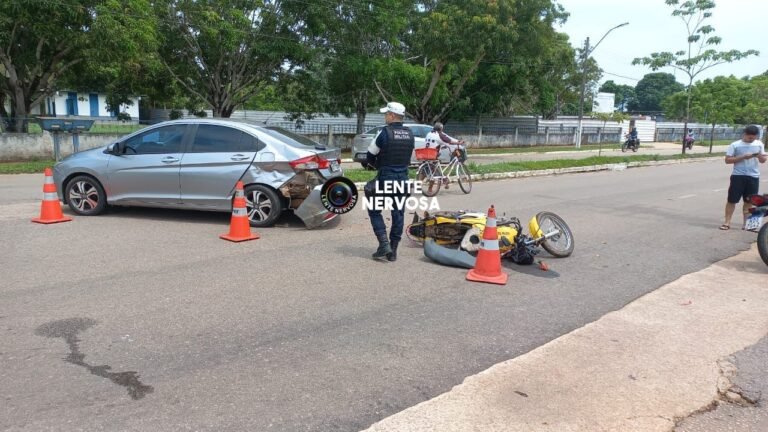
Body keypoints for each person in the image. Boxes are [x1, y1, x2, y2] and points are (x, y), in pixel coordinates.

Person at [365, 101, 415, 261]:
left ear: (392, 115)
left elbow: (370, 156)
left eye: (386, 114)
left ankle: (383, 243)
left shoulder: (384, 133)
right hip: (403, 180)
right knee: (398, 214)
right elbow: (409, 157)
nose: (385, 116)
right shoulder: (410, 134)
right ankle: (392, 252)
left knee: (374, 210)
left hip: (385, 178)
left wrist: (377, 166)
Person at [720, 125, 768, 230]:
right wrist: (743, 157)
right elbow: (727, 160)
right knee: (732, 200)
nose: (751, 139)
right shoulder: (735, 145)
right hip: (738, 175)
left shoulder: (759, 144)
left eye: (754, 137)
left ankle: (746, 224)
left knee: (749, 201)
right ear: (744, 134)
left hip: (753, 176)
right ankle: (727, 222)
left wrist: (760, 155)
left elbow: (763, 160)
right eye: (749, 137)